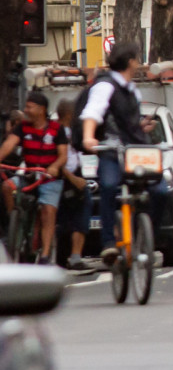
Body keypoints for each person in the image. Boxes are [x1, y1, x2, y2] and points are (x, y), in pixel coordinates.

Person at [78, 42, 163, 265]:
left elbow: (128, 122)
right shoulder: (105, 86)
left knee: (159, 189)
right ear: (130, 62)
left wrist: (141, 127)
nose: (139, 63)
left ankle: (146, 236)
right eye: (137, 59)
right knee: (107, 186)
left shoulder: (131, 88)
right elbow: (93, 112)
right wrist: (89, 136)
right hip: (110, 150)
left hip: (135, 150)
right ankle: (108, 243)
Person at [0, 92, 67, 264]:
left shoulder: (56, 129)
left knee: (48, 211)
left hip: (49, 178)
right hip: (29, 175)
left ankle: (45, 254)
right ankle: (14, 220)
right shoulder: (21, 127)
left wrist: (54, 167)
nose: (26, 110)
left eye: (29, 107)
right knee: (7, 187)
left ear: (41, 109)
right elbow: (8, 145)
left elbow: (63, 155)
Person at [54, 99, 90, 270]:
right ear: (69, 114)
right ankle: (64, 257)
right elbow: (57, 159)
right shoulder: (58, 133)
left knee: (79, 215)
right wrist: (72, 178)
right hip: (65, 177)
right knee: (65, 218)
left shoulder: (72, 132)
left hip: (75, 175)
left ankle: (74, 256)